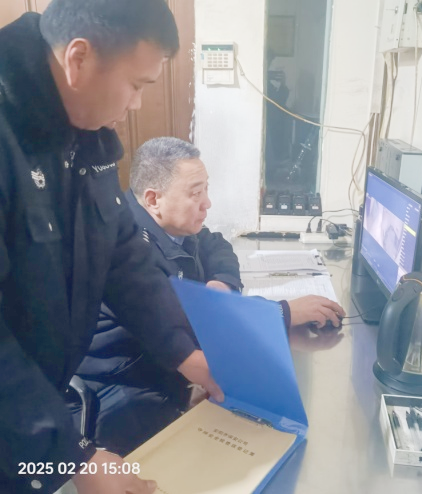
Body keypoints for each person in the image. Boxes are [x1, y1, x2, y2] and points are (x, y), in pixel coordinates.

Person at [0, 2, 221, 493]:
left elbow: (124, 260)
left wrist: (187, 353)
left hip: (36, 412)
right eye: (136, 85)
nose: (137, 104)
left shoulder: (87, 131)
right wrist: (72, 459)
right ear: (78, 59)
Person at [75, 136, 346, 454]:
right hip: (126, 389)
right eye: (196, 193)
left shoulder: (173, 227)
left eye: (206, 190)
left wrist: (223, 283)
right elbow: (187, 322)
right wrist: (283, 313)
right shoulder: (130, 248)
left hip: (172, 371)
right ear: (153, 199)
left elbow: (217, 244)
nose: (208, 203)